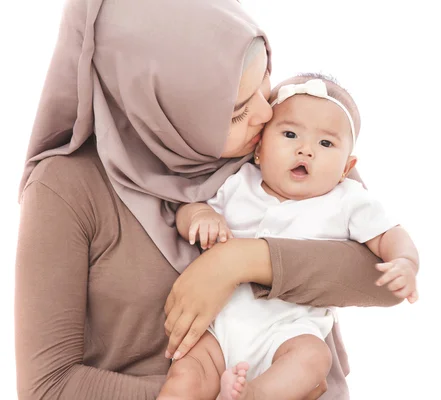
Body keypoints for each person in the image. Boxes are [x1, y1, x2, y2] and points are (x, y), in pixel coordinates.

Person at [15, 0, 414, 399]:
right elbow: (47, 388)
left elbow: (379, 278)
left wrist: (238, 261)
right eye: (237, 110)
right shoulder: (66, 188)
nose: (264, 113)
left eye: (265, 83)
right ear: (161, 109)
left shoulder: (282, 136)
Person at [159, 75, 419, 400]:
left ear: (345, 168)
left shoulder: (347, 200)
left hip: (288, 330)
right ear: (259, 148)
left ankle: (251, 395)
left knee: (313, 357)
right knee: (186, 372)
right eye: (290, 134)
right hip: (220, 322)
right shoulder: (239, 184)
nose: (305, 150)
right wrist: (200, 217)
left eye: (326, 144)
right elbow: (188, 211)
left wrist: (405, 261)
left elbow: (389, 236)